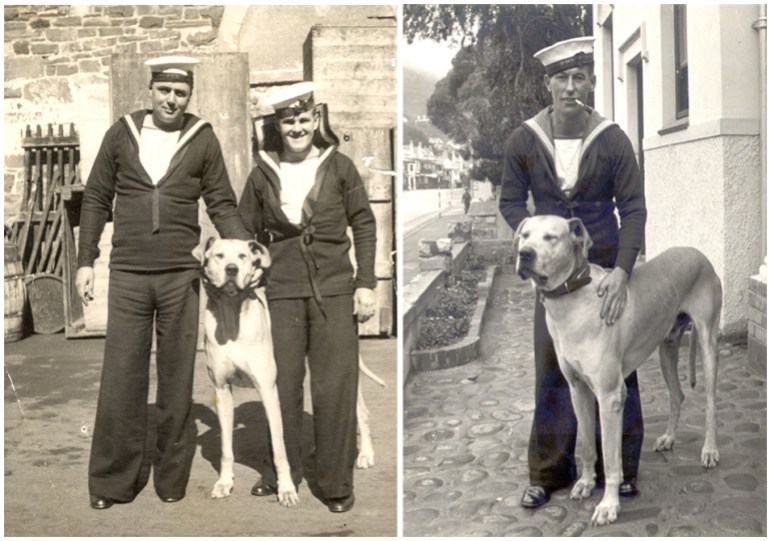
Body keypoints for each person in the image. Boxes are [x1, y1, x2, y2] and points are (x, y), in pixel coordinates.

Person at [76, 56, 252, 510]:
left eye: (180, 93)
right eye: (164, 92)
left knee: (176, 379)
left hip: (179, 277)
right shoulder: (122, 133)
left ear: (188, 95)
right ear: (150, 91)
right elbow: (96, 196)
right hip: (131, 275)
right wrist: (86, 260)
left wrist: (246, 255)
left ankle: (170, 478)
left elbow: (221, 203)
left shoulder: (202, 138)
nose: (172, 100)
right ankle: (112, 482)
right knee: (121, 377)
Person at [499, 37, 647, 509]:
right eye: (561, 78)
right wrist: (533, 242)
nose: (570, 87)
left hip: (602, 271)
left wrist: (623, 271)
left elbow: (634, 209)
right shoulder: (525, 139)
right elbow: (509, 201)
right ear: (548, 84)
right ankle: (549, 471)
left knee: (616, 369)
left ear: (592, 82)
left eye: (579, 77)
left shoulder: (612, 139)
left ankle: (618, 469)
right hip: (552, 266)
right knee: (552, 367)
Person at [238, 82, 377, 513]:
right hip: (279, 294)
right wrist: (248, 276)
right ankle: (281, 470)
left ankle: (336, 482)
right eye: (288, 121)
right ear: (276, 126)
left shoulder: (340, 167)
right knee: (281, 385)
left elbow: (365, 225)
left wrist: (366, 283)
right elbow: (244, 229)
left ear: (315, 121)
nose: (296, 128)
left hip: (333, 291)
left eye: (303, 119)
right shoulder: (262, 171)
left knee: (334, 386)